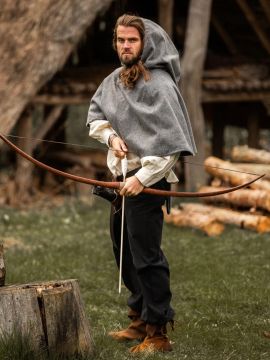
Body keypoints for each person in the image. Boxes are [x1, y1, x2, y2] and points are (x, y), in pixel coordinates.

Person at [86, 14, 196, 353]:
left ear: (146, 43)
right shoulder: (114, 81)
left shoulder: (161, 85)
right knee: (125, 252)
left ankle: (158, 332)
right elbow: (95, 117)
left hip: (148, 184)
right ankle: (139, 319)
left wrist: (140, 178)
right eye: (120, 40)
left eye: (131, 40)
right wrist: (111, 138)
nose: (125, 46)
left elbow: (169, 147)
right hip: (122, 181)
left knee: (147, 257)